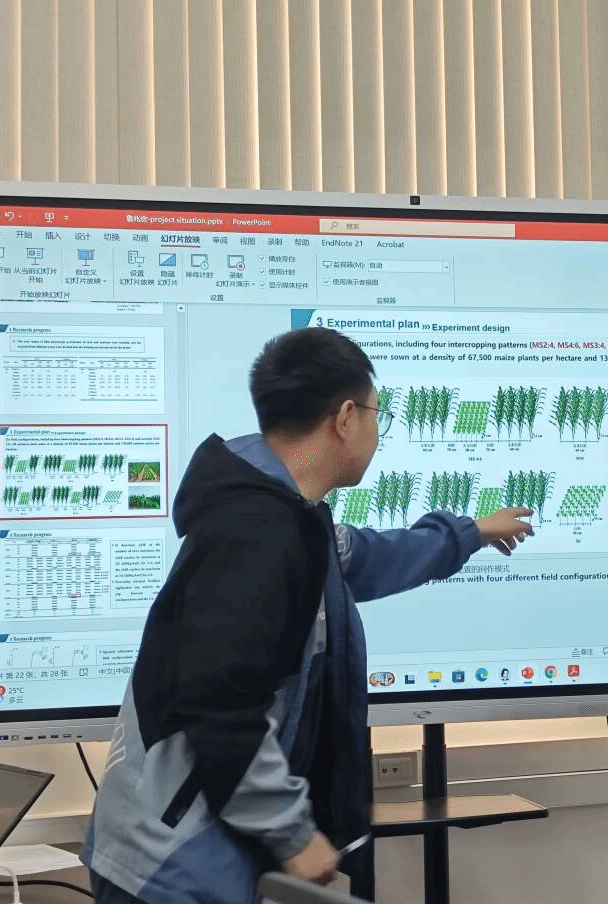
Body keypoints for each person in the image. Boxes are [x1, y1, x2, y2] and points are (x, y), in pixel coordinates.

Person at [81, 327, 533, 904]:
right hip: (172, 860)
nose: (377, 431)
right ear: (345, 418)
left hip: (193, 846)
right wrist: (292, 832)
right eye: (377, 414)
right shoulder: (256, 535)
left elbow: (367, 557)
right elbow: (220, 702)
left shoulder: (290, 515)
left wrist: (469, 533)